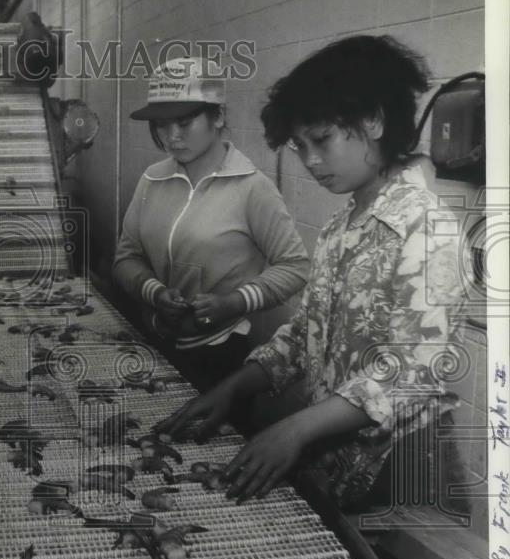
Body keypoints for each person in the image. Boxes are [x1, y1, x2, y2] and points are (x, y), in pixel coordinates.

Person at [155, 35, 466, 510]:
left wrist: (295, 428)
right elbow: (306, 335)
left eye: (322, 140)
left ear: (375, 121)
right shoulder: (343, 226)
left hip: (402, 471)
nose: (311, 161)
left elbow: (412, 372)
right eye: (300, 146)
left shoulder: (429, 227)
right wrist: (233, 387)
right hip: (340, 458)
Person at [113, 58, 310, 393]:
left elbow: (295, 267)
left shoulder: (251, 186)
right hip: (154, 337)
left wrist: (233, 302)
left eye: (185, 122)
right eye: (161, 124)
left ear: (217, 115)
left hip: (220, 354)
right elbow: (126, 257)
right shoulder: (153, 180)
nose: (172, 137)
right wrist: (156, 293)